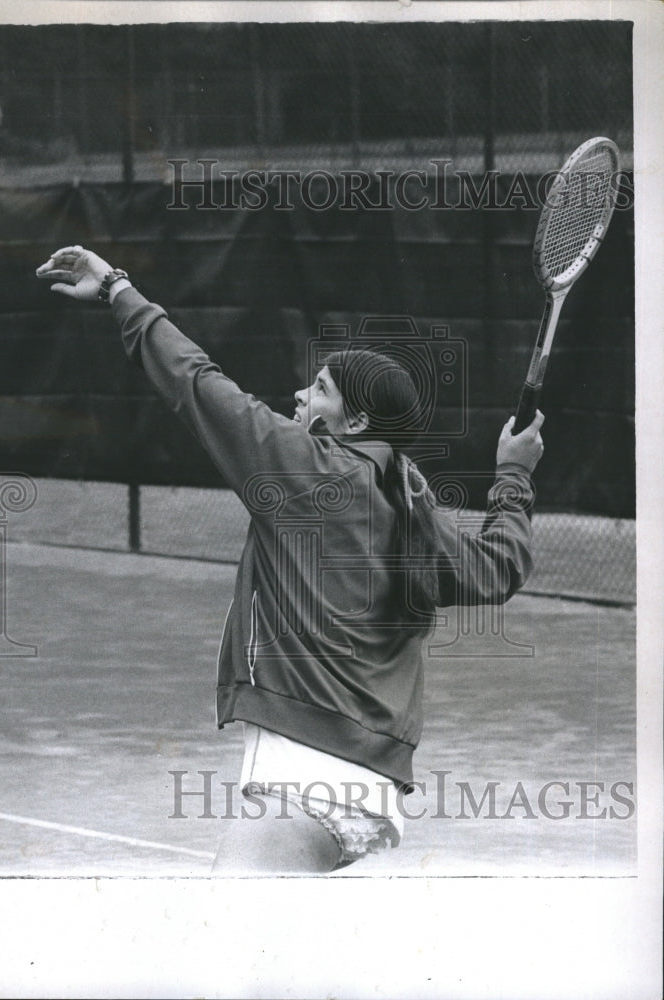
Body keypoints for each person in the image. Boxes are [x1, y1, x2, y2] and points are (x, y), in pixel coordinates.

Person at [36, 245, 545, 875]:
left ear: (354, 421)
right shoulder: (411, 499)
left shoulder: (308, 469)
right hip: (368, 784)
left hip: (309, 779)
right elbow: (498, 568)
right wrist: (513, 476)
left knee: (230, 940)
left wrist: (117, 288)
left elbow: (196, 382)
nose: (300, 395)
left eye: (321, 388)